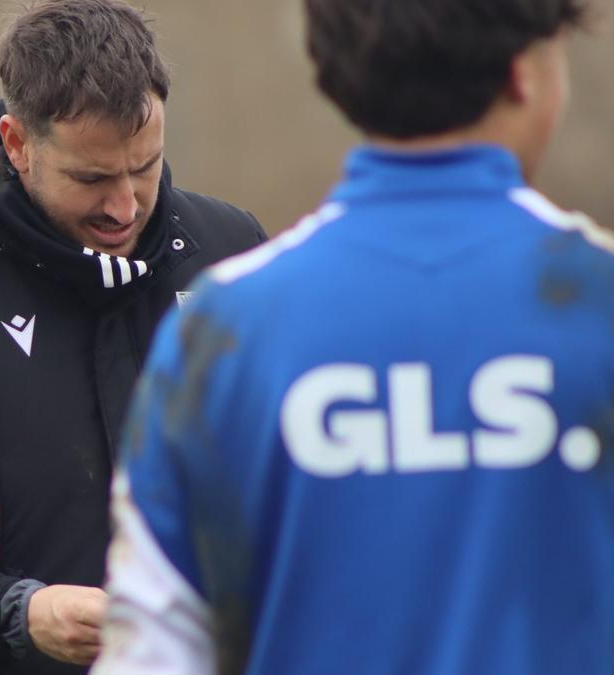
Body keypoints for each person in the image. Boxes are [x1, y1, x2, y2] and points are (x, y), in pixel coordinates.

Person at [98, 0, 609, 673]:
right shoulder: (596, 300)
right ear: (524, 73)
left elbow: (155, 651)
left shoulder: (221, 332)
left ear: (339, 75)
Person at [0, 1, 267, 673]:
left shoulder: (231, 256)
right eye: (91, 178)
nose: (124, 206)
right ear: (17, 143)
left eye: (145, 167)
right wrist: (16, 614)